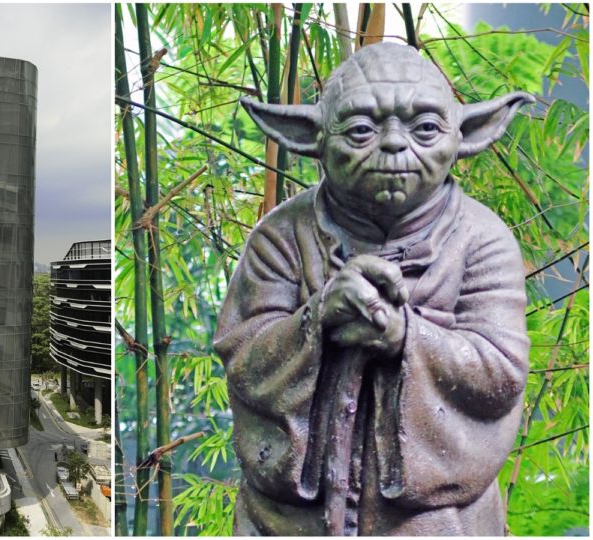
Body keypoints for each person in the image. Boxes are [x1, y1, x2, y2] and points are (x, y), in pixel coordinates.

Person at [215, 43, 531, 535]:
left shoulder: (482, 240)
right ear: (310, 137)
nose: (393, 146)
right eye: (361, 129)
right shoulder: (282, 236)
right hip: (288, 520)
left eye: (424, 128)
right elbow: (243, 356)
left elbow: (502, 372)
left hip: (436, 521)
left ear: (465, 136)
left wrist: (408, 337)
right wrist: (317, 319)